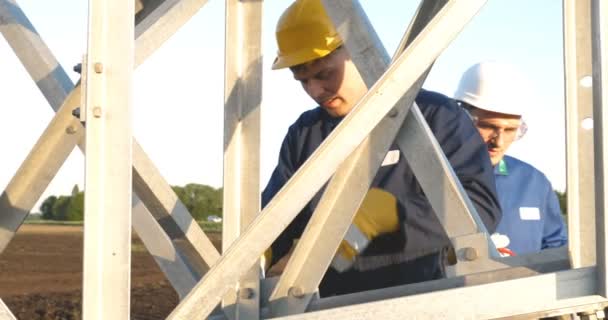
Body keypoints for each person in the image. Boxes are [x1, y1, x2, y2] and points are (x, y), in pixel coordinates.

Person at [262, 0, 502, 296]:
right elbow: (274, 219)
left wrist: (384, 215)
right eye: (303, 80)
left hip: (418, 302)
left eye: (324, 74)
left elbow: (481, 208)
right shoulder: (305, 134)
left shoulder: (434, 117)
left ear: (358, 51)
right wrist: (261, 256)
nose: (315, 91)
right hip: (327, 308)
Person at [454, 61, 567, 256]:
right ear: (461, 118)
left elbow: (556, 246)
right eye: (489, 127)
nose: (498, 142)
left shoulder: (534, 182)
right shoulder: (431, 175)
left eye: (510, 130)